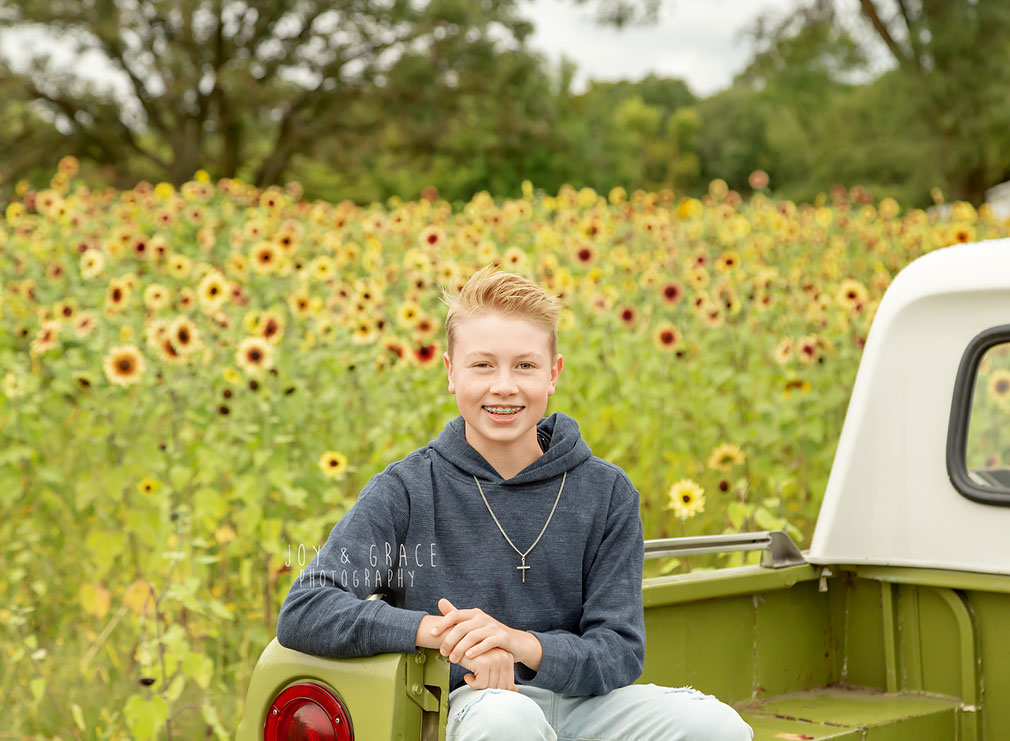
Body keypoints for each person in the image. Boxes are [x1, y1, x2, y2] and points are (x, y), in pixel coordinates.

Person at [275, 264, 753, 740]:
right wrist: (451, 636)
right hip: (471, 706)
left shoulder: (606, 492)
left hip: (586, 703)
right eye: (483, 365)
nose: (504, 385)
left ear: (553, 374)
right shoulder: (406, 489)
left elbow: (619, 651)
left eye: (524, 365)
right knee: (508, 720)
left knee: (717, 726)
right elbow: (307, 605)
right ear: (450, 372)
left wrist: (520, 644)